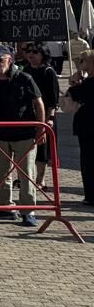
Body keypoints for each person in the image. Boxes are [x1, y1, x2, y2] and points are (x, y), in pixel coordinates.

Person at [0, 45, 45, 226]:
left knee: (26, 174)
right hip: (0, 134)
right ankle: (5, 207)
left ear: (10, 60)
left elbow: (38, 103)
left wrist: (41, 128)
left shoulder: (24, 78)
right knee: (1, 172)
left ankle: (28, 210)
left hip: (24, 134)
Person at [20, 43, 61, 190]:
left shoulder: (48, 72)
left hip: (44, 116)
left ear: (43, 54)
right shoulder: (26, 70)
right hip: (28, 115)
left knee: (42, 148)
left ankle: (40, 179)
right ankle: (25, 178)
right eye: (28, 51)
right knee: (26, 147)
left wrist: (50, 118)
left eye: (35, 52)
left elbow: (53, 99)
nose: (31, 54)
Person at [67, 50, 94, 205]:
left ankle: (90, 195)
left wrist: (74, 83)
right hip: (86, 125)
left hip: (88, 125)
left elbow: (73, 95)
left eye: (83, 61)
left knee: (88, 160)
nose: (80, 64)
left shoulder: (88, 84)